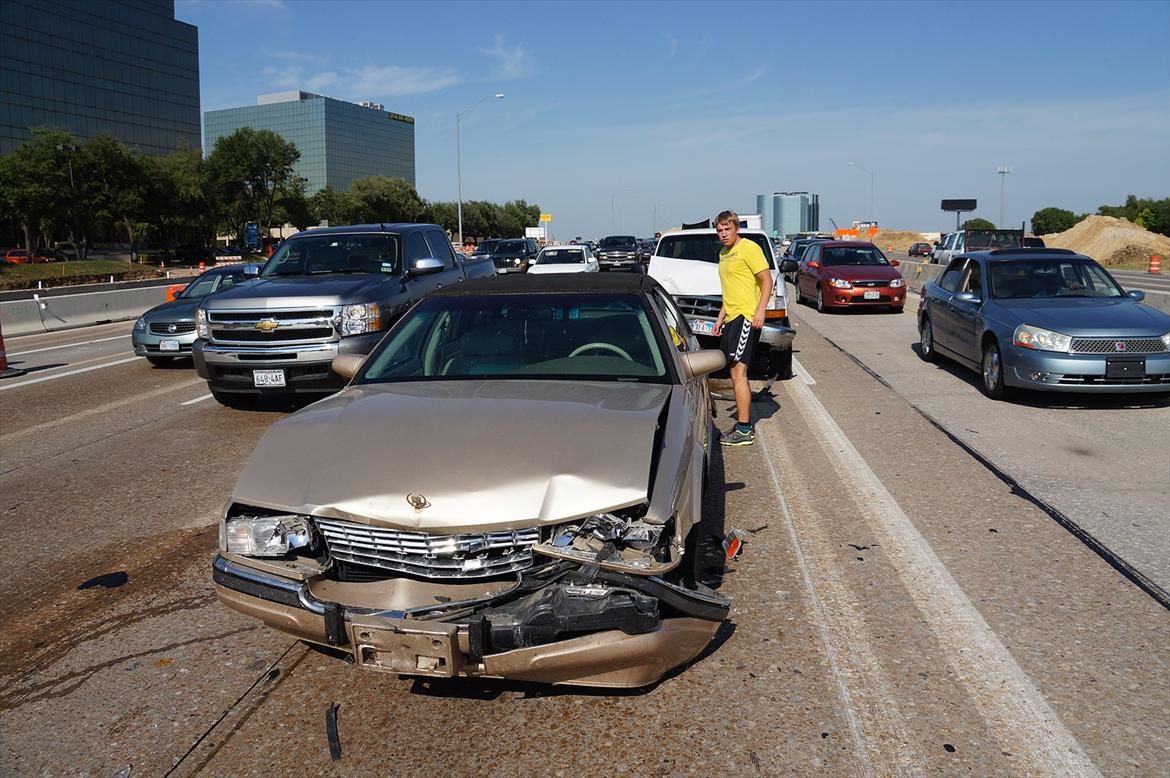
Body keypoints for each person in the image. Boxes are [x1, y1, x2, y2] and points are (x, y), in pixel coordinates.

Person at [711, 210, 773, 447]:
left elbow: (766, 280)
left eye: (727, 229)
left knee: (739, 373)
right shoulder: (724, 253)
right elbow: (730, 290)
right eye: (720, 230)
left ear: (736, 228)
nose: (724, 234)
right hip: (732, 317)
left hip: (746, 316)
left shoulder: (748, 248)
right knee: (734, 372)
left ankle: (745, 430)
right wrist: (720, 317)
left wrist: (760, 311)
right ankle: (742, 425)